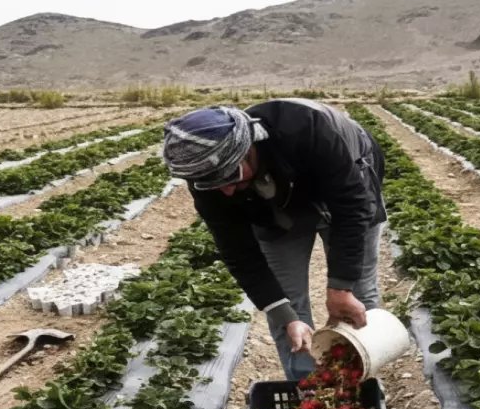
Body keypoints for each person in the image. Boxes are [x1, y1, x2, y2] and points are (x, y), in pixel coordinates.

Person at [161, 98, 387, 380]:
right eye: (215, 184)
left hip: (345, 183)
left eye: (231, 175)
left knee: (358, 294)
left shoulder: (306, 130)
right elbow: (239, 253)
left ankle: (362, 381)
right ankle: (309, 393)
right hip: (271, 204)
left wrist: (340, 288)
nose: (227, 191)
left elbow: (352, 208)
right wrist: (286, 317)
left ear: (249, 146)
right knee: (287, 306)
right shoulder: (206, 176)